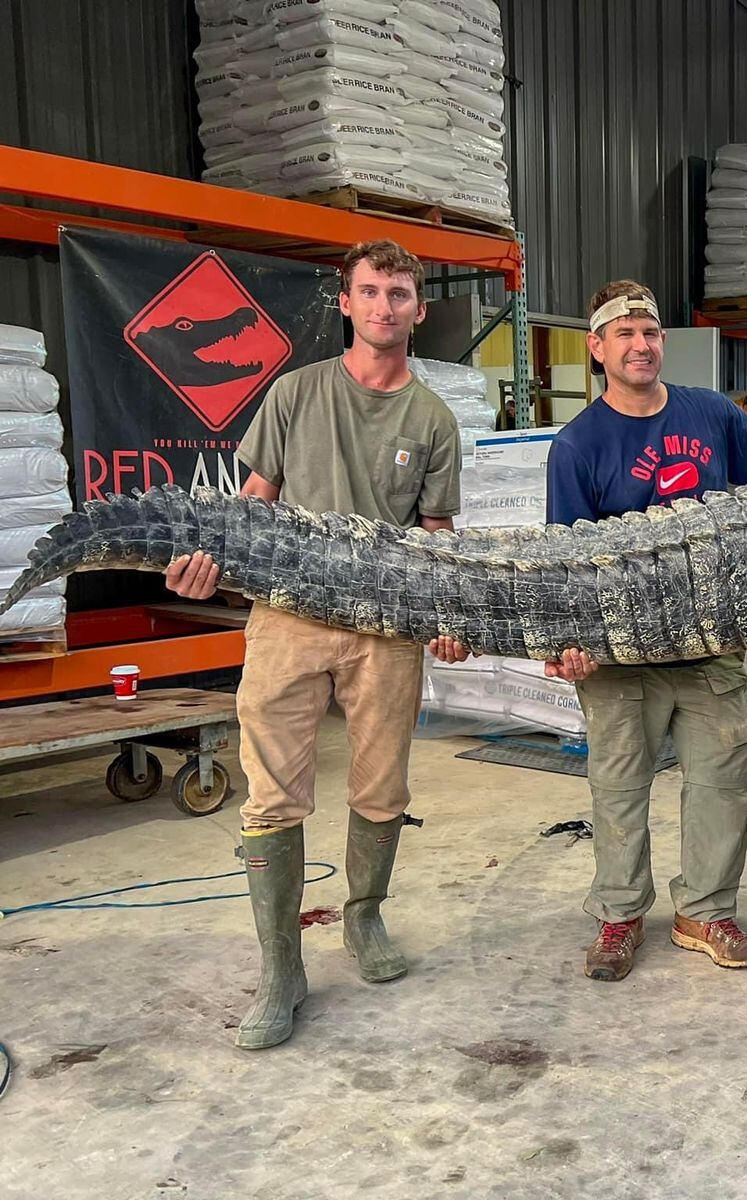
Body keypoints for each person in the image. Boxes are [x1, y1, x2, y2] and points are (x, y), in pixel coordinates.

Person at [164, 239, 471, 1049]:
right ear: (345, 302)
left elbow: (435, 537)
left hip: (386, 632)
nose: (383, 307)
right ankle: (281, 967)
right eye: (369, 291)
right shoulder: (295, 395)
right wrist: (209, 567)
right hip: (289, 625)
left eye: (398, 293)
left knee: (381, 789)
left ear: (418, 309)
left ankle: (364, 919)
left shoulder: (432, 420)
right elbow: (250, 510)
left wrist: (447, 614)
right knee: (271, 796)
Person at [544, 280, 747, 983]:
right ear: (597, 348)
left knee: (723, 779)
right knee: (619, 787)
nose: (640, 344)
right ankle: (620, 916)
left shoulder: (711, 413)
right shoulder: (577, 446)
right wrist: (564, 645)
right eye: (624, 333)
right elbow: (565, 563)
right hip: (620, 656)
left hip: (710, 645)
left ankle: (705, 910)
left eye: (650, 331)